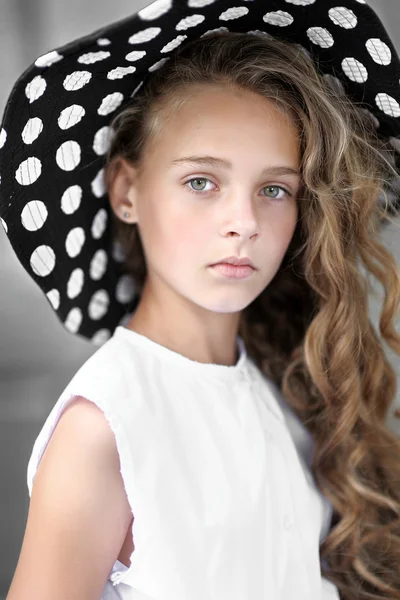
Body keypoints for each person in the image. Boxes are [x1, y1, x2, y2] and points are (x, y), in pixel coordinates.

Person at [1, 0, 400, 599]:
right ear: (126, 190)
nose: (243, 222)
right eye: (201, 182)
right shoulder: (104, 429)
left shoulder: (282, 393)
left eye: (273, 188)